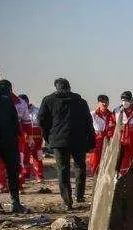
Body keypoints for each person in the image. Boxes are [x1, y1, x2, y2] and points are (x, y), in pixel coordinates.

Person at [38, 78, 93, 210]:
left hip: (58, 141)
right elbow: (88, 123)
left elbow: (41, 121)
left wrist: (49, 137)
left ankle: (67, 201)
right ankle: (79, 196)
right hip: (78, 140)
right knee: (80, 167)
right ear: (69, 87)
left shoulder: (48, 100)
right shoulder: (81, 101)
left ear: (56, 87)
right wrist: (91, 142)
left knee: (63, 169)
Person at [0, 61, 27, 213]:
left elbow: (13, 113)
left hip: (8, 138)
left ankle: (16, 202)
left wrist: (16, 134)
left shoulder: (4, 90)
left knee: (13, 169)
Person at [19, 94, 44, 183]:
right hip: (24, 136)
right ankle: (25, 174)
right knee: (24, 156)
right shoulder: (18, 110)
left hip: (37, 137)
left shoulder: (37, 110)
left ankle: (39, 175)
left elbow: (41, 123)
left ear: (27, 102)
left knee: (38, 156)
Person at [88, 95, 113, 176]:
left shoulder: (112, 115)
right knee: (95, 162)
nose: (104, 104)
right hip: (96, 142)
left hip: (108, 141)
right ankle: (95, 178)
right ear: (98, 103)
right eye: (102, 102)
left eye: (106, 102)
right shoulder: (93, 115)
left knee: (107, 162)